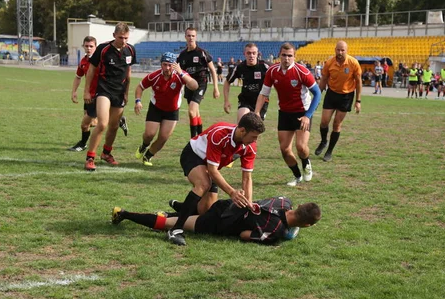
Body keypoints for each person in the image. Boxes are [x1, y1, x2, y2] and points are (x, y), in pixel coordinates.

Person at [166, 113, 266, 246]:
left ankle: (183, 207)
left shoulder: (250, 147)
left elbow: (247, 178)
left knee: (205, 211)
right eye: (253, 137)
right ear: (242, 131)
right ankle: (175, 229)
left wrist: (248, 204)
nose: (255, 141)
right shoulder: (219, 134)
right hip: (193, 154)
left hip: (210, 164)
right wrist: (232, 192)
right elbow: (212, 171)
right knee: (203, 184)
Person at [112, 196, 321, 245]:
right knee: (171, 224)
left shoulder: (284, 200)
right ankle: (125, 213)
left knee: (187, 215)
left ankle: (180, 206)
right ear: (306, 225)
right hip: (220, 222)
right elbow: (244, 235)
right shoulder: (274, 232)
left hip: (226, 203)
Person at [254, 42, 321, 187]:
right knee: (285, 149)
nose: (286, 58)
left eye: (290, 56)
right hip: (284, 113)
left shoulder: (302, 72)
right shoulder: (272, 71)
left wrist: (307, 115)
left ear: (294, 57)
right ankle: (297, 176)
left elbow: (317, 93)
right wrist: (257, 112)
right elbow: (264, 93)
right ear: (279, 55)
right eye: (284, 55)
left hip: (302, 111)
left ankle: (306, 162)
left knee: (301, 147)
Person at [83, 22, 136, 171]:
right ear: (114, 35)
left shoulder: (131, 50)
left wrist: (126, 92)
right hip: (104, 90)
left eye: (126, 38)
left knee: (113, 126)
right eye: (121, 37)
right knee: (102, 124)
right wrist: (87, 91)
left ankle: (106, 153)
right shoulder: (103, 49)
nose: (124, 41)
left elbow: (128, 72)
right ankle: (90, 157)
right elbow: (92, 70)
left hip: (119, 92)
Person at [134, 52, 198, 166]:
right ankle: (144, 145)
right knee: (149, 134)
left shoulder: (180, 75)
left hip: (172, 111)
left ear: (174, 65)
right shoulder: (154, 76)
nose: (167, 68)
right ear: (161, 64)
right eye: (164, 64)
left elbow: (194, 86)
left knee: (163, 137)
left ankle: (148, 156)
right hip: (156, 108)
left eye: (170, 65)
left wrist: (181, 73)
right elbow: (140, 87)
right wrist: (138, 101)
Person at [315, 40, 362, 162]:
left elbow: (358, 82)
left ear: (347, 51)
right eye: (338, 50)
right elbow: (324, 79)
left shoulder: (353, 63)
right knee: (324, 121)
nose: (340, 52)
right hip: (331, 93)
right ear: (335, 50)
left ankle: (329, 151)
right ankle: (324, 141)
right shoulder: (329, 62)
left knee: (336, 124)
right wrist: (317, 96)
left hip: (346, 96)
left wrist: (358, 100)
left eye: (342, 50)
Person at [177, 27, 220, 138]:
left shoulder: (202, 53)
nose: (191, 38)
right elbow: (179, 73)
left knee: (191, 111)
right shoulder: (182, 55)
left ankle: (193, 139)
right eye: (189, 35)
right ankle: (201, 136)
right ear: (185, 37)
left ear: (196, 37)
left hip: (201, 83)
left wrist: (216, 88)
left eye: (193, 36)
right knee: (195, 113)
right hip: (188, 85)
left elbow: (213, 70)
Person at [223, 42, 270, 122]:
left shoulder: (265, 66)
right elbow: (227, 82)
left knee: (254, 129)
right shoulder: (240, 67)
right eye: (248, 53)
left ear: (257, 54)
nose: (251, 55)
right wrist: (226, 100)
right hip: (245, 101)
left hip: (261, 101)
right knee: (242, 123)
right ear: (244, 54)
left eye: (253, 53)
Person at [68, 36, 98, 152]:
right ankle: (117, 120)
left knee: (85, 124)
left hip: (99, 96)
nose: (89, 48)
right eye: (86, 46)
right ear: (83, 46)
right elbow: (78, 77)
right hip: (88, 95)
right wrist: (74, 91)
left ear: (96, 47)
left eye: (91, 46)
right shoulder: (83, 61)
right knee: (90, 122)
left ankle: (83, 144)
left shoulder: (101, 61)